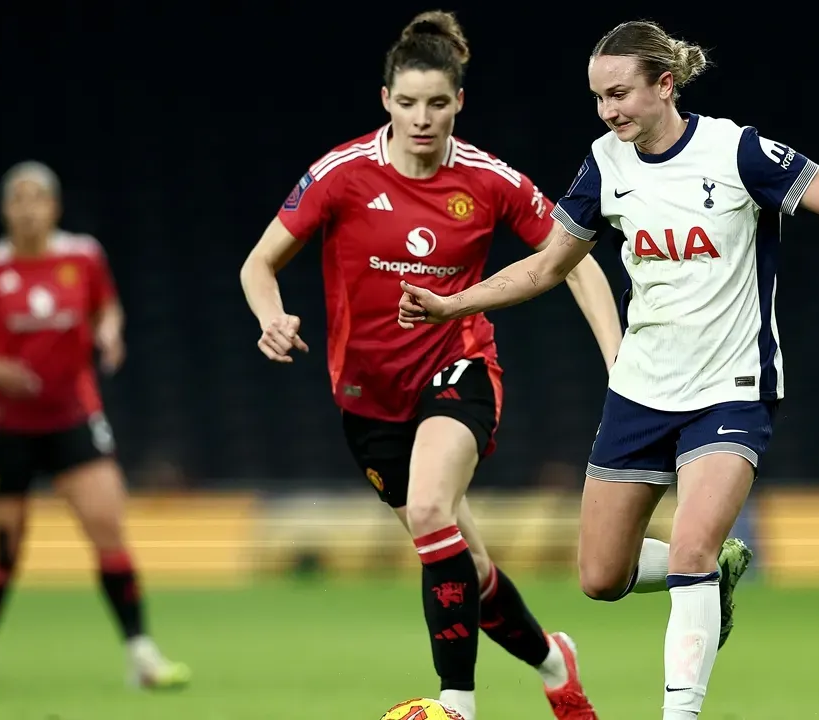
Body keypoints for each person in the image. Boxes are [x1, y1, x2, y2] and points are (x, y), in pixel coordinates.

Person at [398, 19, 819, 720]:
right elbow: (548, 265)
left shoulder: (739, 153)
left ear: (664, 86)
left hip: (731, 389)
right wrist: (454, 304)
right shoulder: (606, 164)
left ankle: (681, 707)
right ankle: (714, 572)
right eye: (599, 98)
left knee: (692, 544)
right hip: (641, 390)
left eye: (620, 94)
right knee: (601, 577)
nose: (609, 111)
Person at [239, 12, 620, 720]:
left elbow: (576, 264)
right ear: (385, 98)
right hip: (367, 399)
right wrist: (271, 314)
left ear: (459, 104)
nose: (423, 118)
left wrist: (617, 360)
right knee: (463, 563)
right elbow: (259, 264)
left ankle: (456, 705)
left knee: (428, 509)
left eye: (438, 104)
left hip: (459, 367)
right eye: (408, 102)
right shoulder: (341, 174)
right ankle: (552, 662)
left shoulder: (488, 180)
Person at [0, 161, 191, 696]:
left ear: (54, 206)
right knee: (6, 548)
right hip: (3, 424)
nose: (28, 209)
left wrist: (111, 332)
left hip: (72, 417)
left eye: (38, 198)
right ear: (5, 209)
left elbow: (107, 307)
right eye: (18, 200)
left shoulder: (83, 256)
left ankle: (141, 655)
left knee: (107, 525)